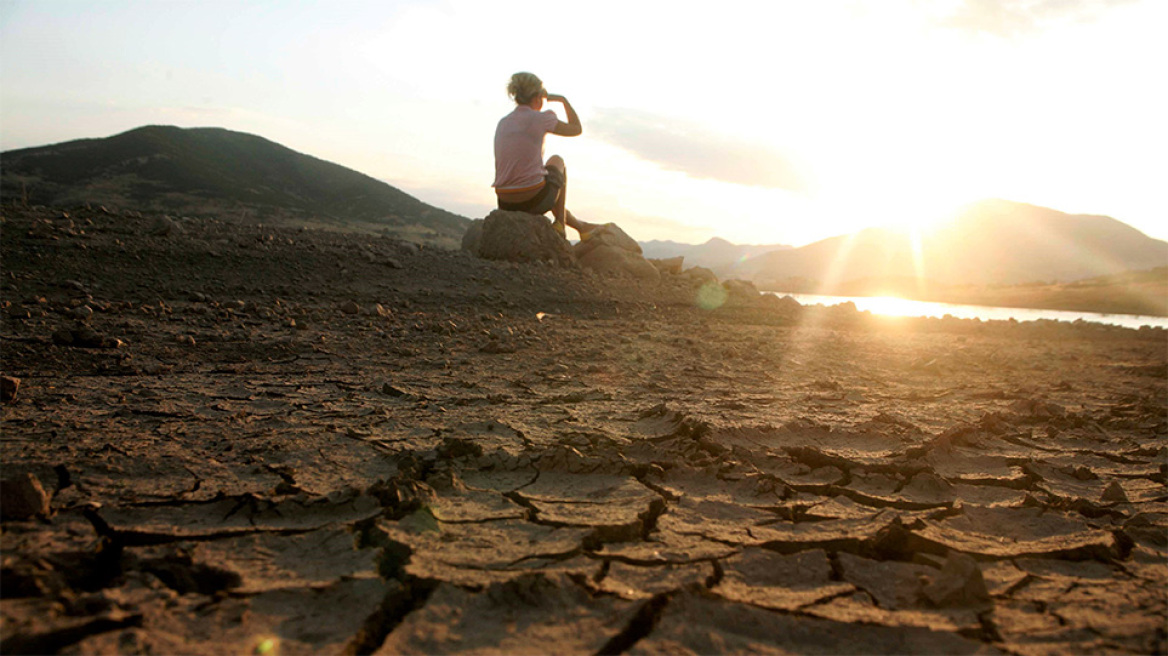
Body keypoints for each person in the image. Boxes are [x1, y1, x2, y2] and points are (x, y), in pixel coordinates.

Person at [492, 72, 595, 238]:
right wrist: (563, 100)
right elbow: (576, 129)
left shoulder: (503, 122)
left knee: (545, 178)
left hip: (504, 202)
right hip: (532, 201)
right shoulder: (541, 118)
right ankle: (560, 225)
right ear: (538, 97)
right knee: (557, 161)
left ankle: (580, 226)